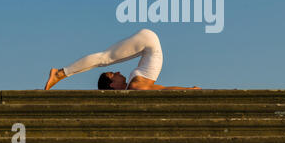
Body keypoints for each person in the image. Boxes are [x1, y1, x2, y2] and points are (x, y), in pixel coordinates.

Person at [44, 29, 201, 90]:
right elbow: (162, 89)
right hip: (148, 43)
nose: (118, 71)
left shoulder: (134, 87)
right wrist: (187, 90)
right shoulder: (134, 88)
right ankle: (59, 73)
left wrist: (188, 90)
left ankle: (59, 73)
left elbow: (162, 90)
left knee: (104, 58)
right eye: (114, 74)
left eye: (113, 73)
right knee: (104, 58)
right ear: (112, 85)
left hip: (148, 42)